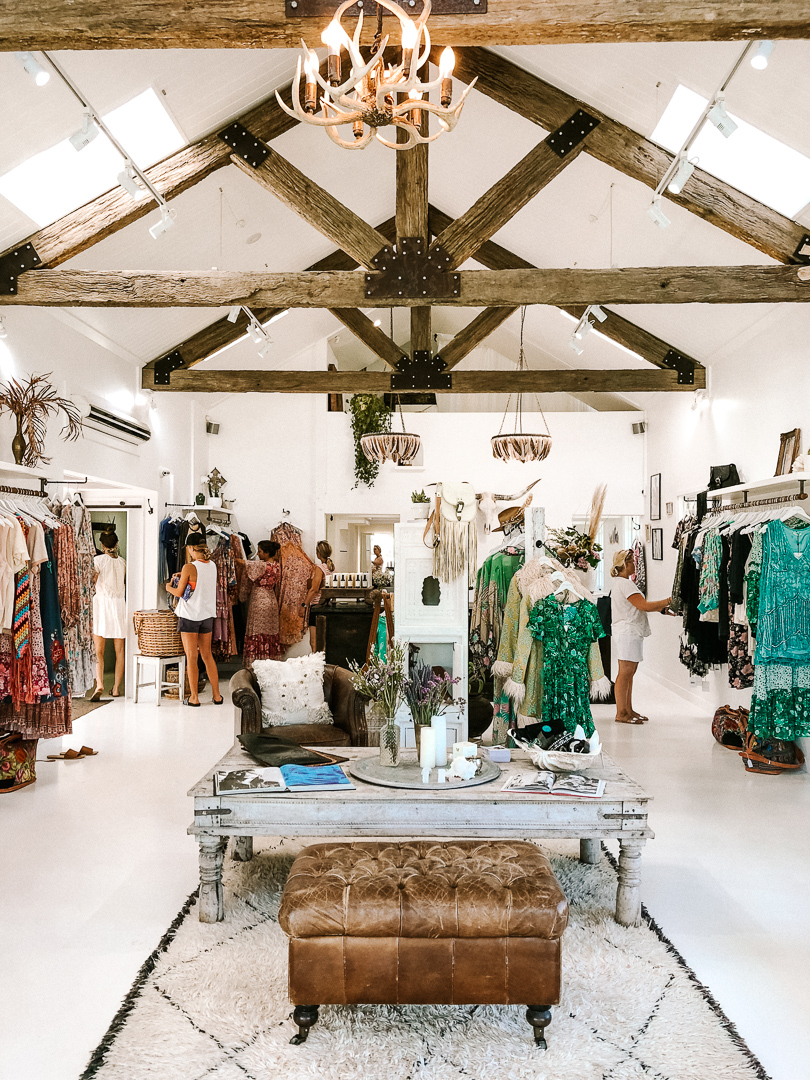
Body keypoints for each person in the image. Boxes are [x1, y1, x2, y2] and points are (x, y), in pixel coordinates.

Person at [609, 548, 671, 725]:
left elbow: (637, 606)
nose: (635, 564)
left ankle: (628, 709)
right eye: (632, 562)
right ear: (625, 564)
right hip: (627, 632)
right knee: (625, 673)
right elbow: (643, 605)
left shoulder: (622, 583)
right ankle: (622, 712)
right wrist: (668, 600)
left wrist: (663, 610)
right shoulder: (625, 584)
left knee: (629, 672)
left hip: (629, 631)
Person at [165, 535, 222, 706]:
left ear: (190, 548)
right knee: (207, 656)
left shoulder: (189, 566)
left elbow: (179, 592)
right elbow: (200, 581)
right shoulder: (212, 566)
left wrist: (168, 586)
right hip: (207, 616)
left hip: (189, 616)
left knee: (191, 656)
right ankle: (217, 696)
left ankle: (194, 697)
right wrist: (183, 575)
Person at [90, 530, 126, 700]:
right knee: (120, 651)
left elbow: (94, 581)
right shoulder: (123, 563)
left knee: (99, 650)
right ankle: (117, 688)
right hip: (119, 606)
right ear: (116, 544)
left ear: (102, 545)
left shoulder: (98, 561)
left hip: (102, 605)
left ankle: (100, 684)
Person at [237, 540, 282, 666]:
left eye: (260, 551)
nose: (258, 554)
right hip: (271, 600)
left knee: (257, 632)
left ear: (267, 553)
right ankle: (270, 663)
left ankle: (256, 664)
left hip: (259, 600)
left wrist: (232, 557)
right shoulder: (277, 565)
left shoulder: (262, 566)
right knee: (269, 633)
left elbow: (243, 563)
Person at [305, 540, 335, 650]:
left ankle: (316, 664)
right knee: (324, 639)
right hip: (327, 604)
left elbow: (314, 589)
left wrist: (304, 604)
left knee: (314, 641)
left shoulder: (320, 568)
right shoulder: (330, 567)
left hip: (317, 605)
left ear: (318, 553)